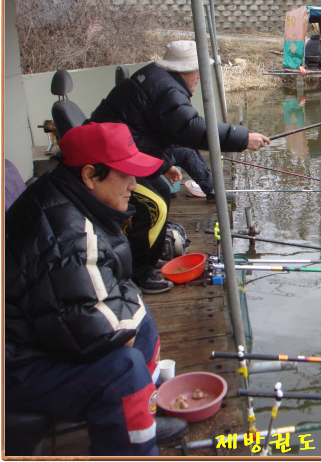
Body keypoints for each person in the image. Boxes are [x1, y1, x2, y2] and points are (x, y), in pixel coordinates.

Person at [5, 123, 188, 456]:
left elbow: (108, 286)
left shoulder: (71, 195)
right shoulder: (66, 234)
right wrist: (128, 307)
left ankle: (140, 415)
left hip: (42, 331)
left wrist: (130, 304)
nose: (134, 184)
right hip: (18, 365)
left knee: (142, 323)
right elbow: (99, 334)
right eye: (125, 174)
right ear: (90, 175)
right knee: (123, 371)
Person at [89, 40, 271, 294]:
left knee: (161, 192)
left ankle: (145, 257)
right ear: (186, 70)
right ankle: (139, 273)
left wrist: (163, 165)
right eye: (198, 71)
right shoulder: (167, 89)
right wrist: (243, 138)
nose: (200, 77)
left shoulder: (156, 78)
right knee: (154, 205)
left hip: (123, 155)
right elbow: (191, 129)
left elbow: (149, 132)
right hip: (108, 164)